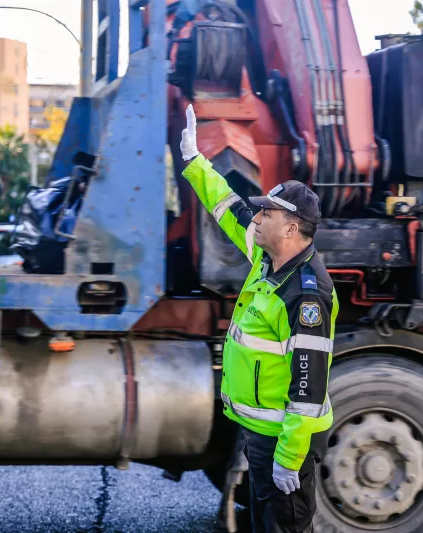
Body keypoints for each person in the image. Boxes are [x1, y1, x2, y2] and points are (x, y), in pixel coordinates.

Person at [180, 104, 338, 532]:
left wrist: (288, 459)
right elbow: (227, 208)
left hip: (286, 443)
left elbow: (308, 387)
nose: (258, 217)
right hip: (261, 433)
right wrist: (195, 162)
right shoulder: (267, 259)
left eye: (267, 212)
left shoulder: (306, 295)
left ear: (291, 227)